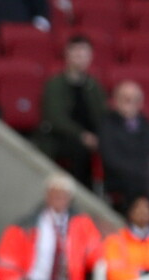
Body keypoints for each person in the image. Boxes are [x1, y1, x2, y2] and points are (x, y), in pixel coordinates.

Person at [39, 35, 106, 184]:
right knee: (79, 150)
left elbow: (102, 114)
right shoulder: (55, 84)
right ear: (67, 55)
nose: (80, 58)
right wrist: (82, 135)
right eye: (76, 53)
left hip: (92, 138)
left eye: (84, 54)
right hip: (61, 138)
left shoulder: (93, 85)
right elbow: (55, 118)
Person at [99, 81, 149, 207]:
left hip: (147, 177)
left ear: (140, 102)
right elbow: (112, 159)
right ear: (115, 100)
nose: (129, 103)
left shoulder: (148, 126)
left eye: (134, 99)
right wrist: (142, 172)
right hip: (121, 180)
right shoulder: (106, 125)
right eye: (125, 98)